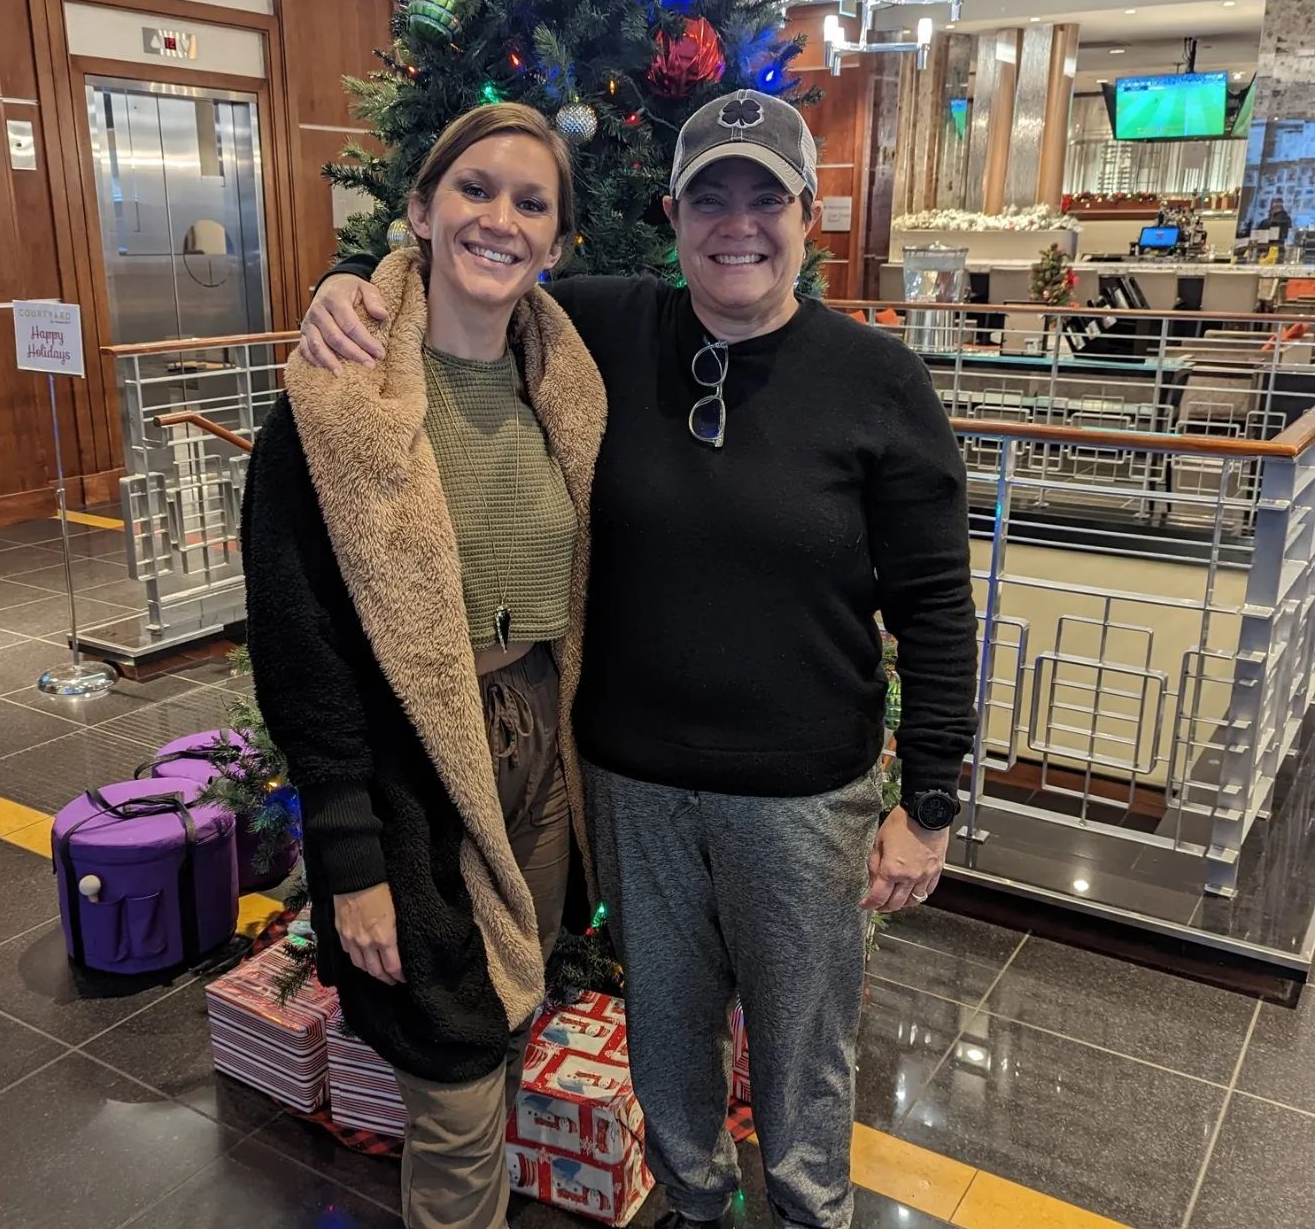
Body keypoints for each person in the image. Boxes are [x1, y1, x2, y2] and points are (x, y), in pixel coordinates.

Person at [302, 90, 978, 1229]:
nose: (738, 225)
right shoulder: (604, 330)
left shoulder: (877, 380)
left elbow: (937, 605)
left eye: (766, 199)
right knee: (667, 1046)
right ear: (672, 215)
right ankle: (693, 1209)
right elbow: (469, 273)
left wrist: (933, 801)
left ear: (808, 217)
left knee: (804, 1061)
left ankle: (810, 1216)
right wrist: (346, 285)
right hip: (633, 788)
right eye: (711, 198)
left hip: (802, 800)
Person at [244, 102, 607, 1229]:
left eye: (531, 203)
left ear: (556, 243)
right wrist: (350, 859)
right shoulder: (333, 402)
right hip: (411, 766)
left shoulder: (569, 381)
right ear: (419, 209)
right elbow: (298, 649)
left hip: (539, 749)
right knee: (450, 1081)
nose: (501, 219)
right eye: (474, 190)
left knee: (509, 1010)